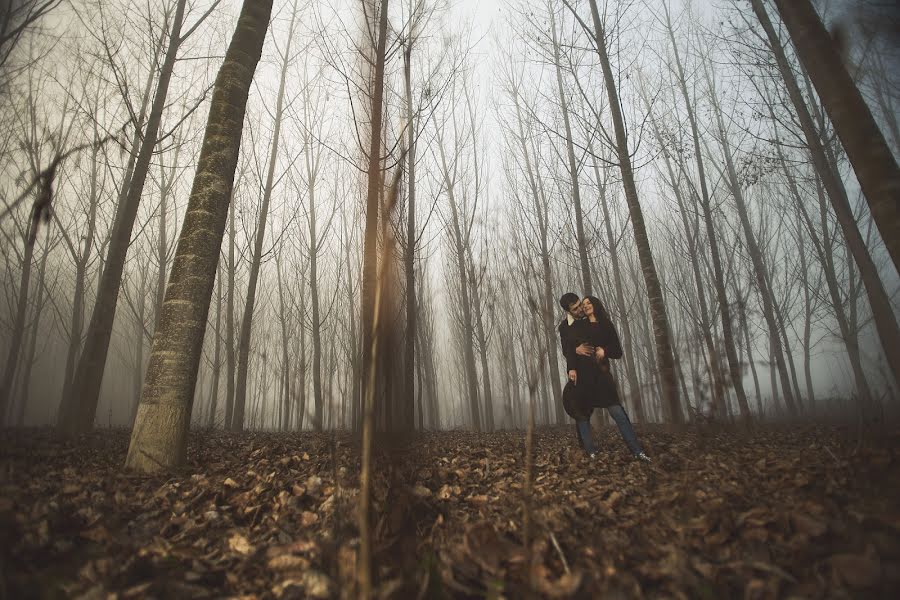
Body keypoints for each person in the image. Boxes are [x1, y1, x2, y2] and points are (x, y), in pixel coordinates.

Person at [568, 296, 651, 462]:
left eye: (588, 303)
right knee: (583, 415)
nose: (586, 306)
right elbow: (570, 344)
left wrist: (604, 351)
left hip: (602, 376)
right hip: (583, 376)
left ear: (596, 304)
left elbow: (618, 351)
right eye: (583, 305)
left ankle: (637, 451)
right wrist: (573, 361)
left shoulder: (606, 325)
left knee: (617, 412)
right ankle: (590, 453)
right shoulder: (579, 325)